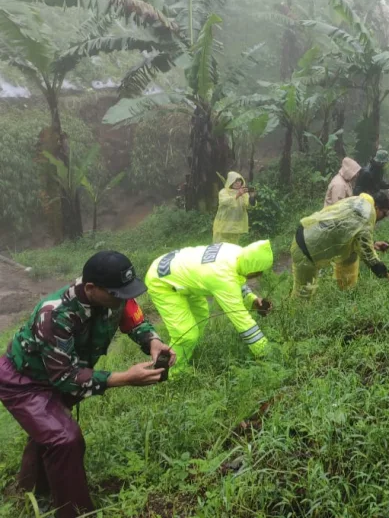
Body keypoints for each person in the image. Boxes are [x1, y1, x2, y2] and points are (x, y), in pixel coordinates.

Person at [0, 251, 175, 518]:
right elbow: (67, 378)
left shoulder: (115, 296)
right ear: (91, 288)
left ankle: (28, 491)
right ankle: (75, 512)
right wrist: (126, 378)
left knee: (48, 430)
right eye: (117, 294)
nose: (124, 298)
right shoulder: (55, 314)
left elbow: (134, 320)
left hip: (61, 370)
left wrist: (152, 341)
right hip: (25, 379)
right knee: (65, 438)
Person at [145, 240, 274, 370]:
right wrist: (265, 353)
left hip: (176, 270)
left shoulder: (237, 252)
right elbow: (242, 321)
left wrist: (252, 299)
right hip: (161, 281)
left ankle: (188, 354)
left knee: (200, 316)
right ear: (252, 268)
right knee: (185, 333)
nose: (257, 276)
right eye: (257, 273)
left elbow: (237, 278)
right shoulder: (222, 277)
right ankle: (170, 374)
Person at [291, 192, 389, 298]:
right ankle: (292, 314)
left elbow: (348, 233)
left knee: (303, 291)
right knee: (302, 295)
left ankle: (347, 294)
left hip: (305, 235)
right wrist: (387, 275)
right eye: (384, 213)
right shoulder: (367, 214)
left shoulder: (359, 202)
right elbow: (367, 254)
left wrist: (374, 244)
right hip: (306, 248)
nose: (384, 217)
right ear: (377, 207)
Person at [213, 171, 256, 244]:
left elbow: (248, 206)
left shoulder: (243, 194)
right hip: (223, 227)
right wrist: (238, 195)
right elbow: (225, 201)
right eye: (235, 181)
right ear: (230, 181)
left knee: (233, 249)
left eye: (239, 181)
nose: (237, 183)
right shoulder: (224, 192)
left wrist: (252, 197)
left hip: (236, 228)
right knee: (219, 248)